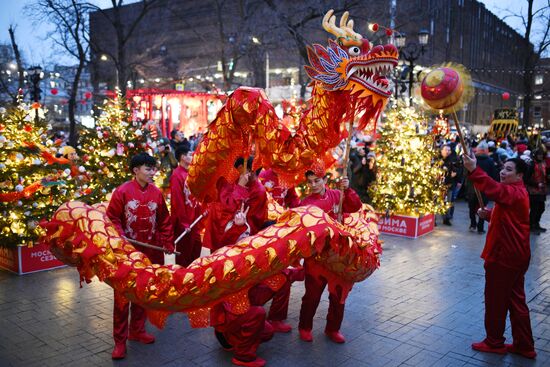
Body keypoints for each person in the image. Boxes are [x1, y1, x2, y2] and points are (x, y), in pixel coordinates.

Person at [463, 153, 536, 359]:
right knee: (516, 301)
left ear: (520, 175)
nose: (503, 172)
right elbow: (508, 218)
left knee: (496, 301)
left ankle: (494, 342)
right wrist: (489, 215)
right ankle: (524, 345)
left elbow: (494, 189)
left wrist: (473, 170)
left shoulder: (514, 192)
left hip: (504, 257)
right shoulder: (518, 193)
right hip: (517, 256)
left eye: (509, 170)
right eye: (503, 168)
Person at [106, 152, 174, 360]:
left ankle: (137, 330)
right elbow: (112, 218)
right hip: (127, 253)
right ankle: (119, 341)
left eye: (153, 168)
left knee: (143, 293)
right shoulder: (122, 192)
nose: (153, 172)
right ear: (136, 171)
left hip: (151, 252)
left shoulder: (156, 192)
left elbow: (164, 220)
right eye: (148, 168)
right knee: (123, 297)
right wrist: (122, 237)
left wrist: (168, 242)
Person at [298, 169, 362, 344]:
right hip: (316, 258)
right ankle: (305, 326)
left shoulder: (337, 194)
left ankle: (333, 328)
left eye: (317, 181)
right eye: (309, 182)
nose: (313, 185)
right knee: (312, 295)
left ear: (325, 180)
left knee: (338, 296)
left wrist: (348, 190)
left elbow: (355, 206)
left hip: (338, 257)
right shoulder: (305, 203)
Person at [170, 146, 204, 266]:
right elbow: (177, 201)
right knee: (184, 254)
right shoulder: (177, 175)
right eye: (190, 154)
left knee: (196, 249)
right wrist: (184, 222)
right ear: (183, 157)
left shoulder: (191, 172)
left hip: (194, 220)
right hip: (184, 223)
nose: (193, 156)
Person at [465, 141, 497, 233]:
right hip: (484, 188)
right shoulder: (490, 161)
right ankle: (480, 227)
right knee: (483, 208)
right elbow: (493, 175)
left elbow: (467, 173)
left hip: (472, 187)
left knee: (471, 208)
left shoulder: (472, 160)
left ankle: (473, 224)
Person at [440, 144, 463, 226]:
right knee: (437, 202)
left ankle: (446, 218)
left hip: (449, 185)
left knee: (448, 202)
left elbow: (457, 170)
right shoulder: (438, 160)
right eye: (446, 150)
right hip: (438, 185)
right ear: (441, 150)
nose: (447, 152)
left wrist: (455, 175)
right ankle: (434, 219)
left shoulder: (453, 160)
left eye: (449, 150)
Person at [525, 149, 547, 234]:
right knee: (534, 209)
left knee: (541, 208)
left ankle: (536, 224)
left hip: (542, 190)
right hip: (533, 191)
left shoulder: (543, 163)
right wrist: (536, 184)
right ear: (535, 155)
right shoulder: (532, 164)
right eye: (539, 154)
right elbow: (526, 179)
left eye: (542, 154)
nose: (540, 156)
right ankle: (531, 226)